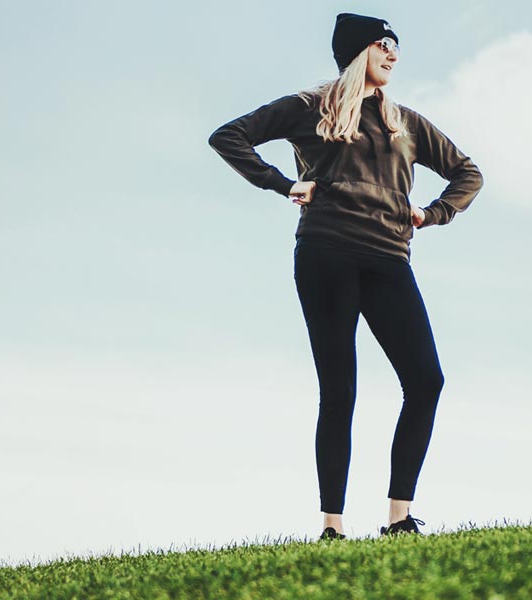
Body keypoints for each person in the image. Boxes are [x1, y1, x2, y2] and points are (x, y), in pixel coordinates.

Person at [207, 12, 483, 541]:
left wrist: (431, 212)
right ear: (360, 51)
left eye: (397, 48)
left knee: (426, 380)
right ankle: (332, 526)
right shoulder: (308, 108)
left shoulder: (406, 123)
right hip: (326, 253)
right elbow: (230, 136)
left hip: (388, 259)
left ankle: (399, 518)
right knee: (340, 391)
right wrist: (283, 183)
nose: (394, 56)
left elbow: (468, 172)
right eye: (384, 45)